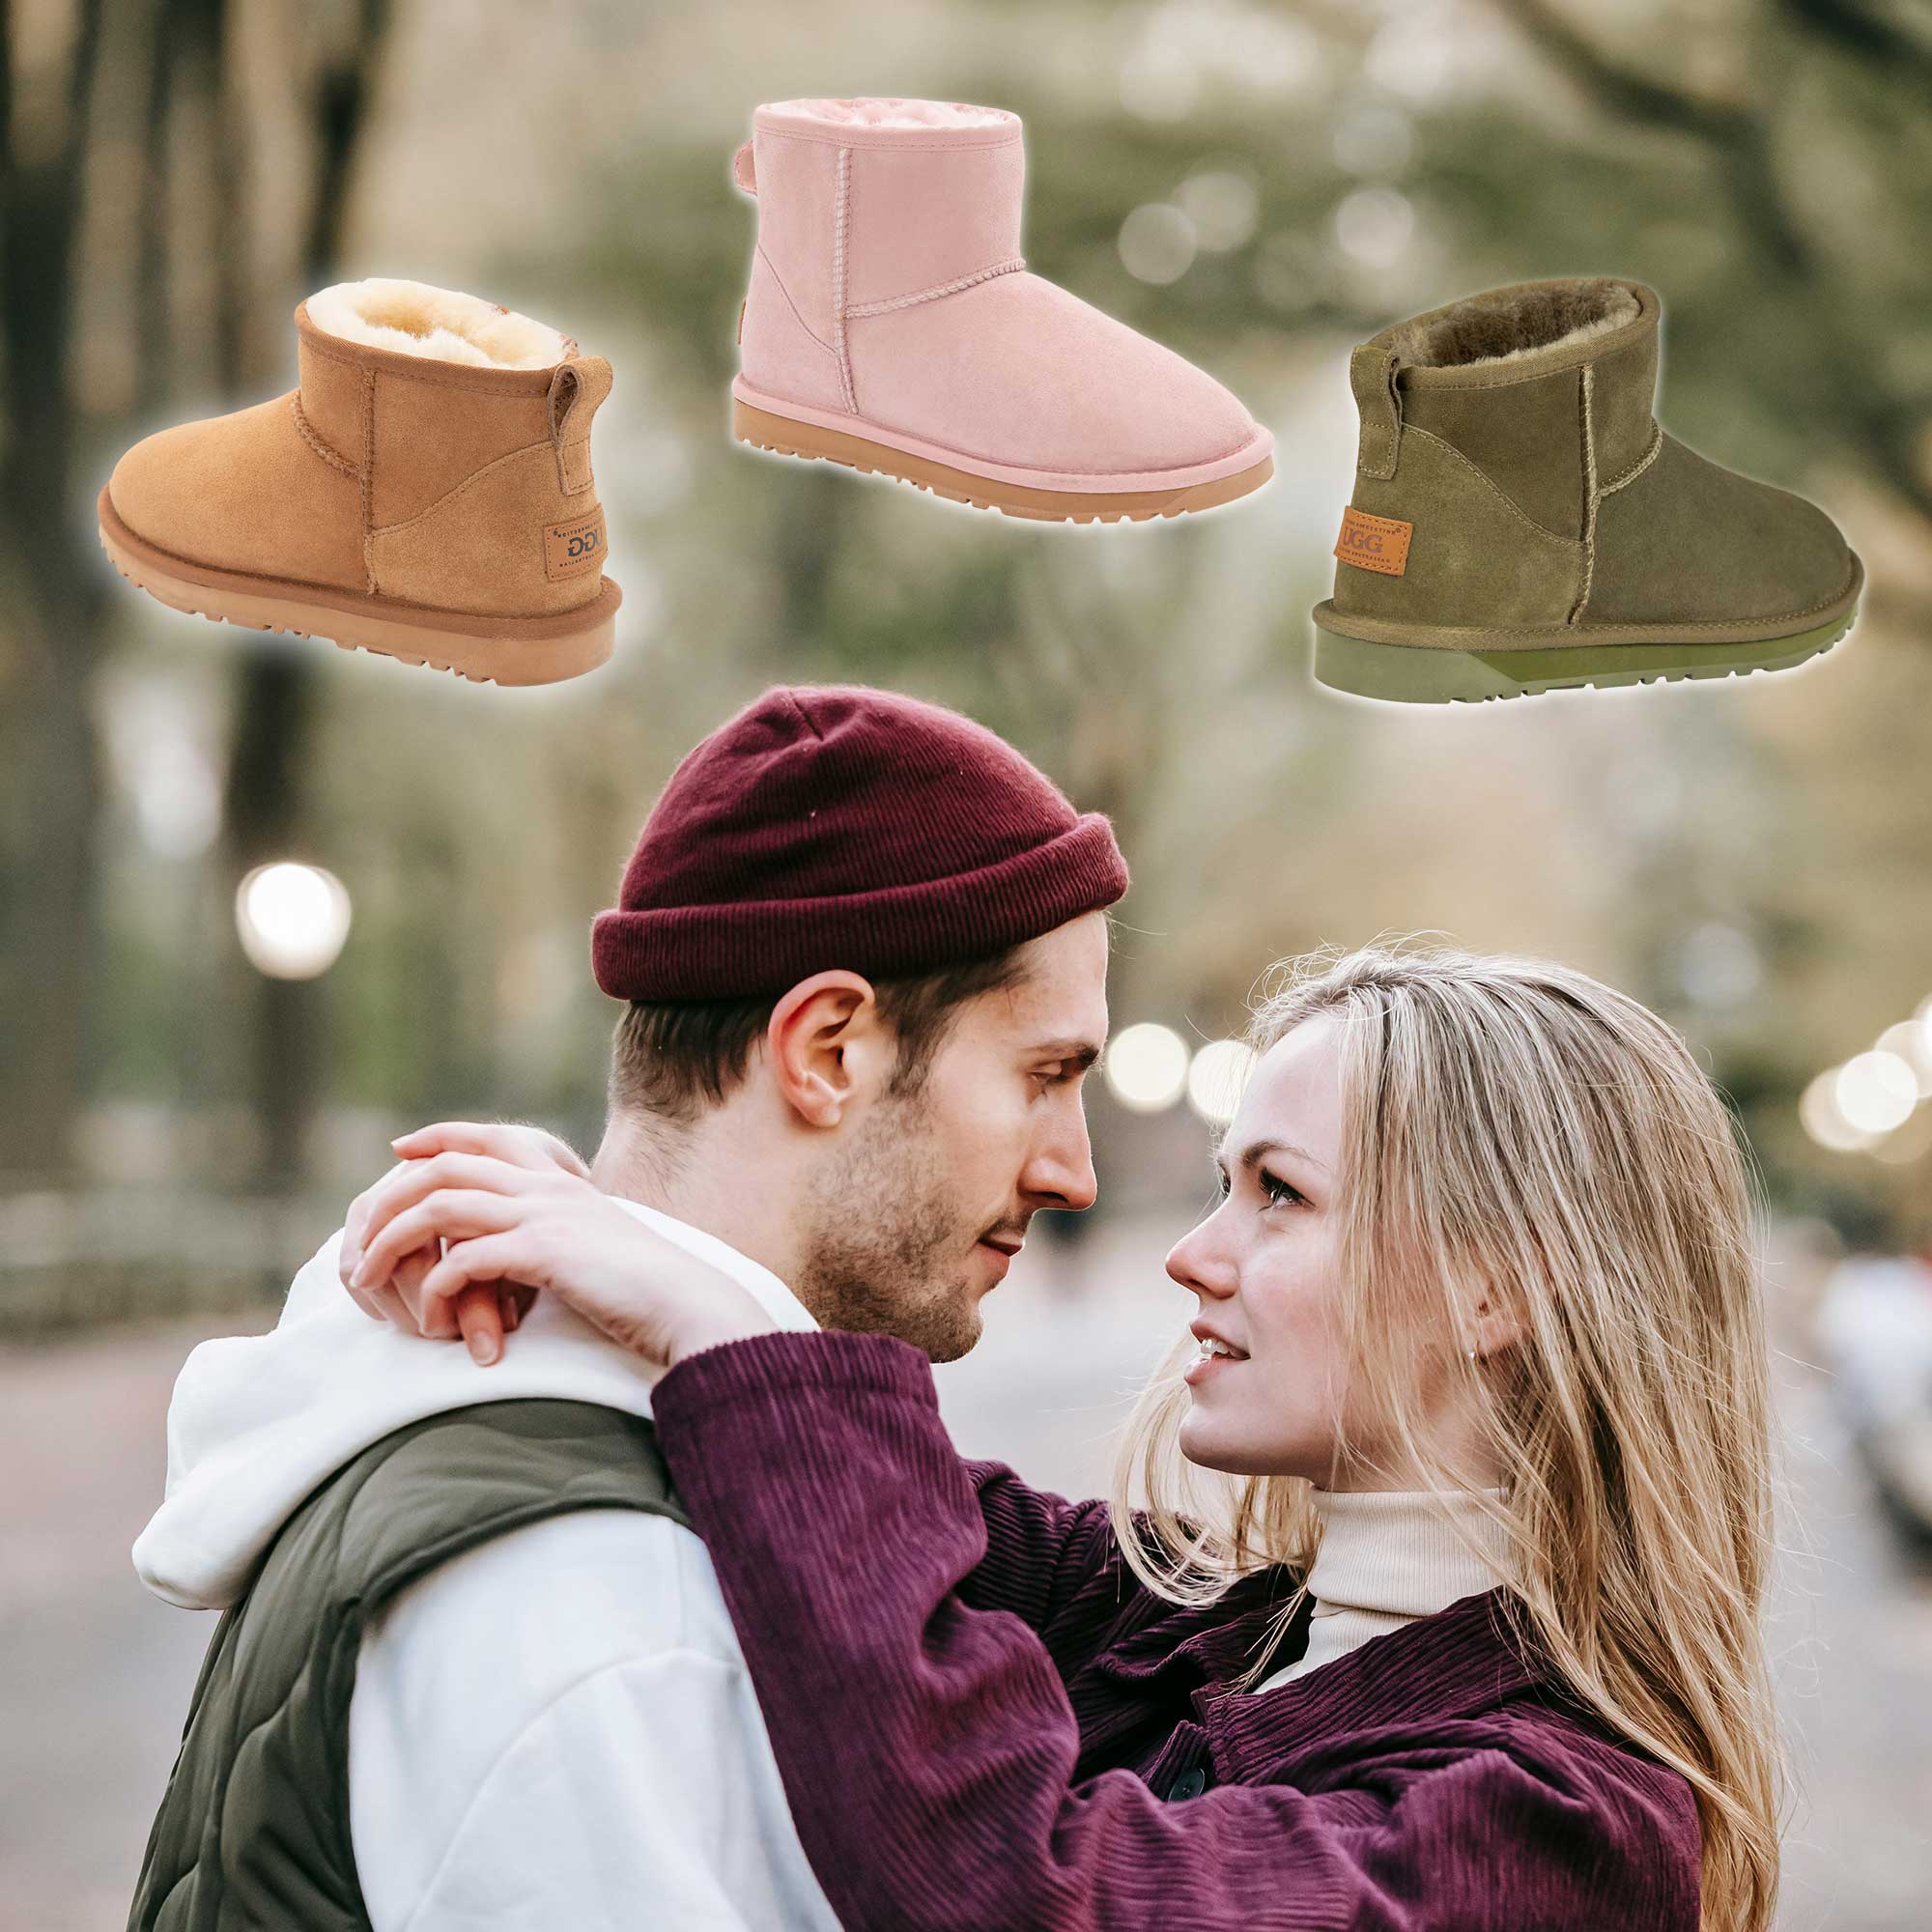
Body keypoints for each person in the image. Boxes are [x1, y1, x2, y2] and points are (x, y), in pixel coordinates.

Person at [352, 944, 1782, 1932]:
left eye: (1280, 1195)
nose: (1193, 1255)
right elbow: (854, 1505)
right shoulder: (1195, 1621)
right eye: (1223, 1186)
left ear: (1497, 1286)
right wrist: (630, 1237)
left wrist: (725, 1333)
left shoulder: (1563, 1833)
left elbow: (1030, 1892)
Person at [127, 683, 1125, 1932]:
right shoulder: (612, 1596)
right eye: (1045, 1075)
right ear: (826, 1050)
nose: (1074, 1174)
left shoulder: (615, 1485)